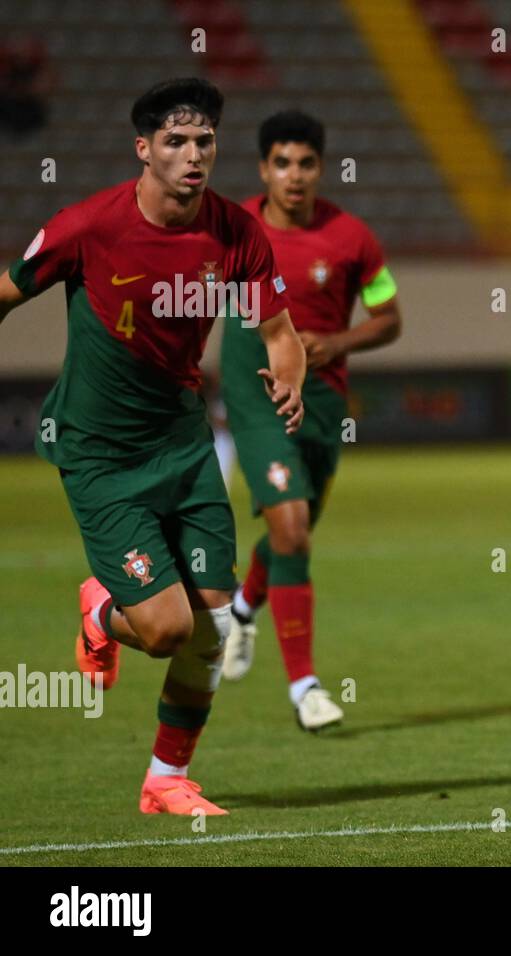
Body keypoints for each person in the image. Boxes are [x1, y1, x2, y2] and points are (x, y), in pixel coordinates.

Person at [0, 78, 305, 814]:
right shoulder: (88, 227)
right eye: (175, 141)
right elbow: (6, 292)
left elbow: (277, 332)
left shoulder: (236, 232)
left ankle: (165, 781)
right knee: (167, 630)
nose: (193, 154)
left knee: (213, 621)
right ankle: (102, 609)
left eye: (204, 141)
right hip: (101, 454)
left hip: (184, 445)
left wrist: (290, 376)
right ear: (144, 149)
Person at [220, 110, 401, 731]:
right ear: (263, 168)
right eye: (281, 163)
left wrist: (339, 340)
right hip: (256, 396)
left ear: (321, 168)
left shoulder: (353, 239)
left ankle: (242, 611)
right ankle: (305, 688)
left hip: (323, 403)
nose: (294, 176)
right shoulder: (231, 230)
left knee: (290, 531)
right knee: (293, 529)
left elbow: (390, 316)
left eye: (305, 164)